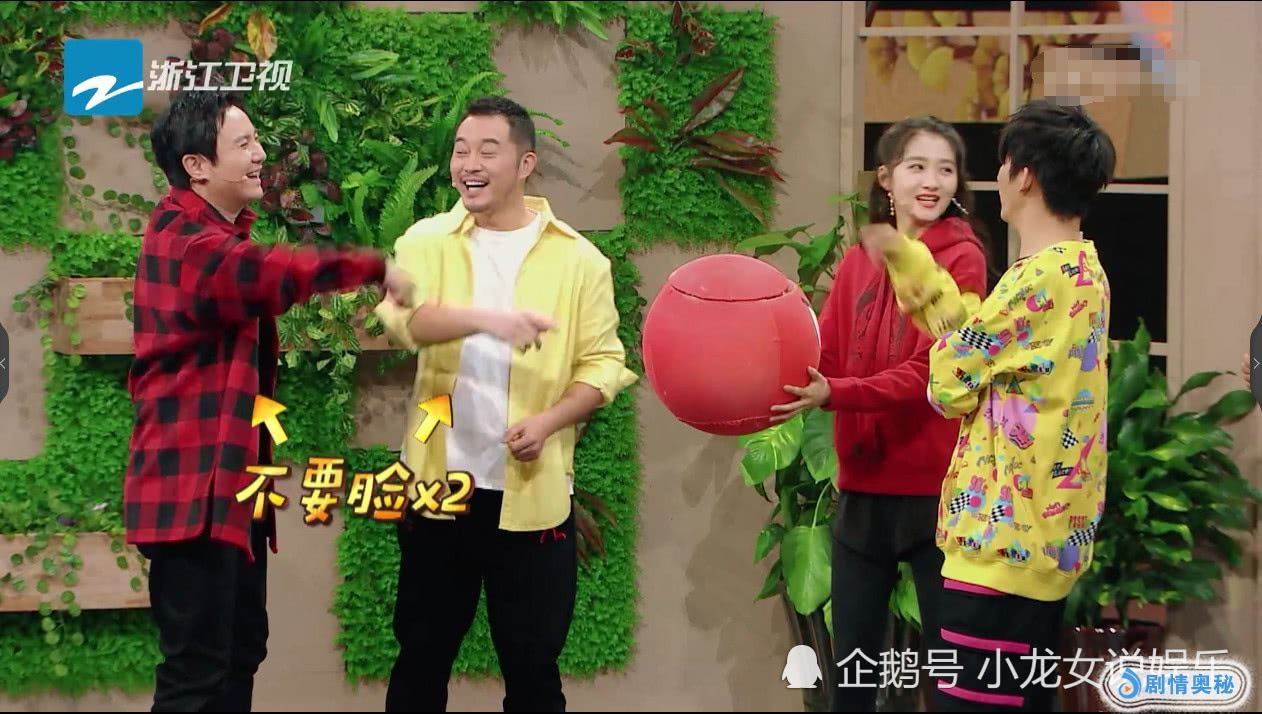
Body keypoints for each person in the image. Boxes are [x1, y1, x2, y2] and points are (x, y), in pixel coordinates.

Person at [125, 90, 412, 712]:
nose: (261, 154)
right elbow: (268, 274)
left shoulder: (213, 232)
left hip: (231, 488)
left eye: (256, 140)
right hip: (192, 491)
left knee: (239, 652)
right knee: (196, 675)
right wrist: (369, 266)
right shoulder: (187, 241)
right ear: (197, 166)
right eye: (244, 144)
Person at [373, 95, 638, 712]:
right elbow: (405, 323)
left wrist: (549, 422)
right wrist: (490, 320)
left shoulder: (580, 261)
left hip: (534, 497)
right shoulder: (425, 241)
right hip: (438, 492)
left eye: (487, 151)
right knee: (420, 661)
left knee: (533, 673)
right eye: (461, 150)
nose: (469, 164)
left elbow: (604, 364)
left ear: (525, 164)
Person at [862, 99, 1116, 712]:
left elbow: (948, 382)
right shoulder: (1082, 271)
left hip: (1001, 549)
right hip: (1043, 547)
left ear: (1024, 175)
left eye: (1003, 164)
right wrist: (914, 265)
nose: (997, 177)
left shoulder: (1038, 280)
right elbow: (979, 342)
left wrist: (910, 267)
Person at [772, 116, 990, 712]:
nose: (932, 182)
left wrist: (838, 394)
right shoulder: (856, 262)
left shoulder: (962, 259)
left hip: (935, 494)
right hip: (864, 486)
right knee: (853, 675)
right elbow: (828, 355)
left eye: (946, 170)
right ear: (887, 178)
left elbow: (931, 373)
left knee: (950, 680)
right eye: (917, 167)